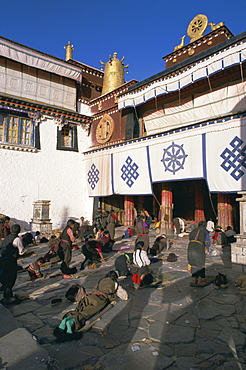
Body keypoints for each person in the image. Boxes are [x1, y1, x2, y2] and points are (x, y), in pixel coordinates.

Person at [54, 271, 128, 341]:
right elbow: (124, 296)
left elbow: (94, 290)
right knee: (86, 313)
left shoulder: (101, 280)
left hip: (90, 297)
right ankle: (72, 323)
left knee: (79, 309)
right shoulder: (114, 283)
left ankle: (66, 320)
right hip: (99, 300)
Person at [0, 224, 26, 304]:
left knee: (5, 276)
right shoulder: (17, 239)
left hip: (3, 259)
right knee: (10, 277)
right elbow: (21, 252)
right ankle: (8, 297)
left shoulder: (7, 237)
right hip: (10, 261)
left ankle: (6, 291)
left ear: (11, 230)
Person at [187, 220, 210, 286]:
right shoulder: (205, 231)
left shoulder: (193, 230)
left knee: (193, 262)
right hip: (199, 247)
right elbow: (208, 240)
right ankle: (199, 280)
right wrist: (207, 246)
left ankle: (195, 280)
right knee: (200, 263)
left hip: (191, 246)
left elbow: (190, 237)